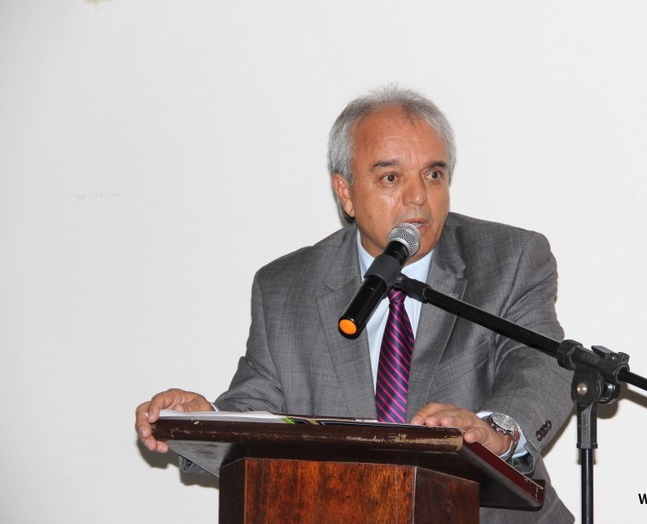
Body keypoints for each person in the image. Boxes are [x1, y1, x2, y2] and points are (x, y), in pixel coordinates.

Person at [135, 86, 575, 523]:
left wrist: (496, 431)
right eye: (391, 178)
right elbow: (258, 410)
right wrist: (200, 421)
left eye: (433, 175)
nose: (418, 197)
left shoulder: (509, 259)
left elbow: (542, 366)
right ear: (345, 193)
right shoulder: (286, 287)